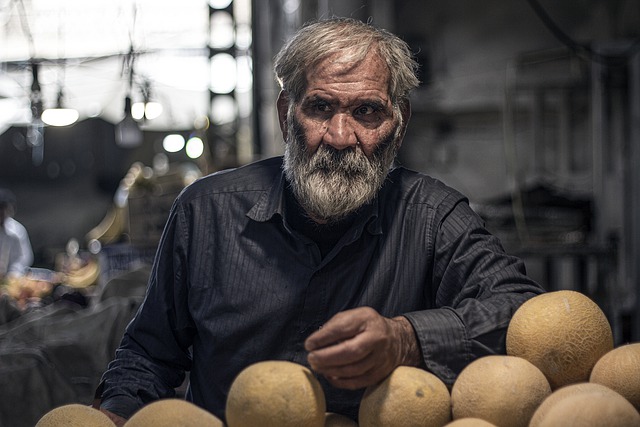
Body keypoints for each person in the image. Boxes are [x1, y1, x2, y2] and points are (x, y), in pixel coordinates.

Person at [98, 17, 544, 425]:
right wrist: (117, 414)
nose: (340, 137)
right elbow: (147, 354)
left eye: (367, 111)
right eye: (320, 108)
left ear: (399, 123)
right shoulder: (205, 212)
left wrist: (406, 339)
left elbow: (521, 312)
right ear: (285, 115)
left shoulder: (431, 216)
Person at [0, 188, 33, 280]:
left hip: (11, 281)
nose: (1, 214)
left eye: (3, 209)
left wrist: (12, 276)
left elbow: (24, 258)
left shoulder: (17, 231)